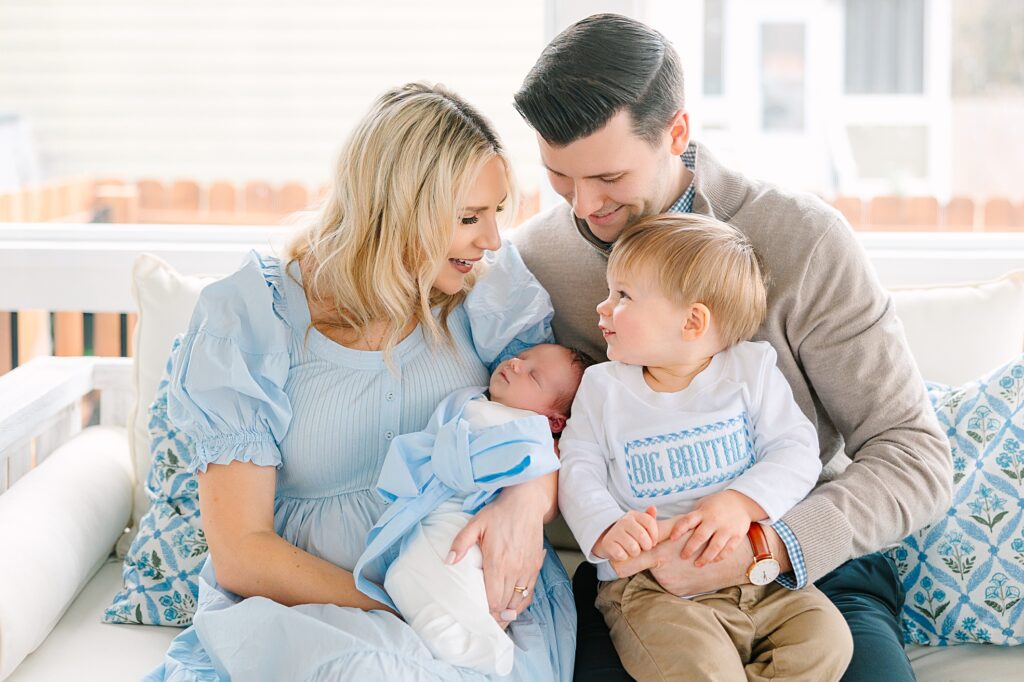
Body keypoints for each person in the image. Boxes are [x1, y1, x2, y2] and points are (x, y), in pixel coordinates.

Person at [510, 13, 951, 681]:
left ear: (676, 134)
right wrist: (527, 501)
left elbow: (913, 454)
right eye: (560, 178)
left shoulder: (804, 240)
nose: (581, 207)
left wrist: (768, 543)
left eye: (607, 178)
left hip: (807, 563)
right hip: (641, 580)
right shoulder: (540, 261)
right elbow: (503, 410)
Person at [145, 82, 576, 682]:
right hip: (311, 610)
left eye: (496, 212)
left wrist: (528, 505)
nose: (492, 240)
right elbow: (242, 552)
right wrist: (409, 609)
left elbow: (549, 429)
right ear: (396, 210)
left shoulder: (489, 288)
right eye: (468, 218)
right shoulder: (252, 314)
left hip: (472, 597)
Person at [559, 213, 852, 681]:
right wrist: (606, 526)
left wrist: (739, 503)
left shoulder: (750, 371)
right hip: (651, 586)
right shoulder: (603, 388)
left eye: (623, 296)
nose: (602, 307)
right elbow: (578, 466)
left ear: (692, 321)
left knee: (826, 641)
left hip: (757, 578)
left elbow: (795, 451)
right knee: (699, 668)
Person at [355, 343, 592, 676]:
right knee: (405, 577)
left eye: (533, 375)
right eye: (522, 357)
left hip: (476, 525)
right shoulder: (471, 404)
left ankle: (482, 649)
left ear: (554, 420)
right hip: (441, 517)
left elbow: (530, 468)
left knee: (417, 576)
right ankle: (472, 641)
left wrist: (451, 452)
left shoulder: (530, 433)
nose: (515, 363)